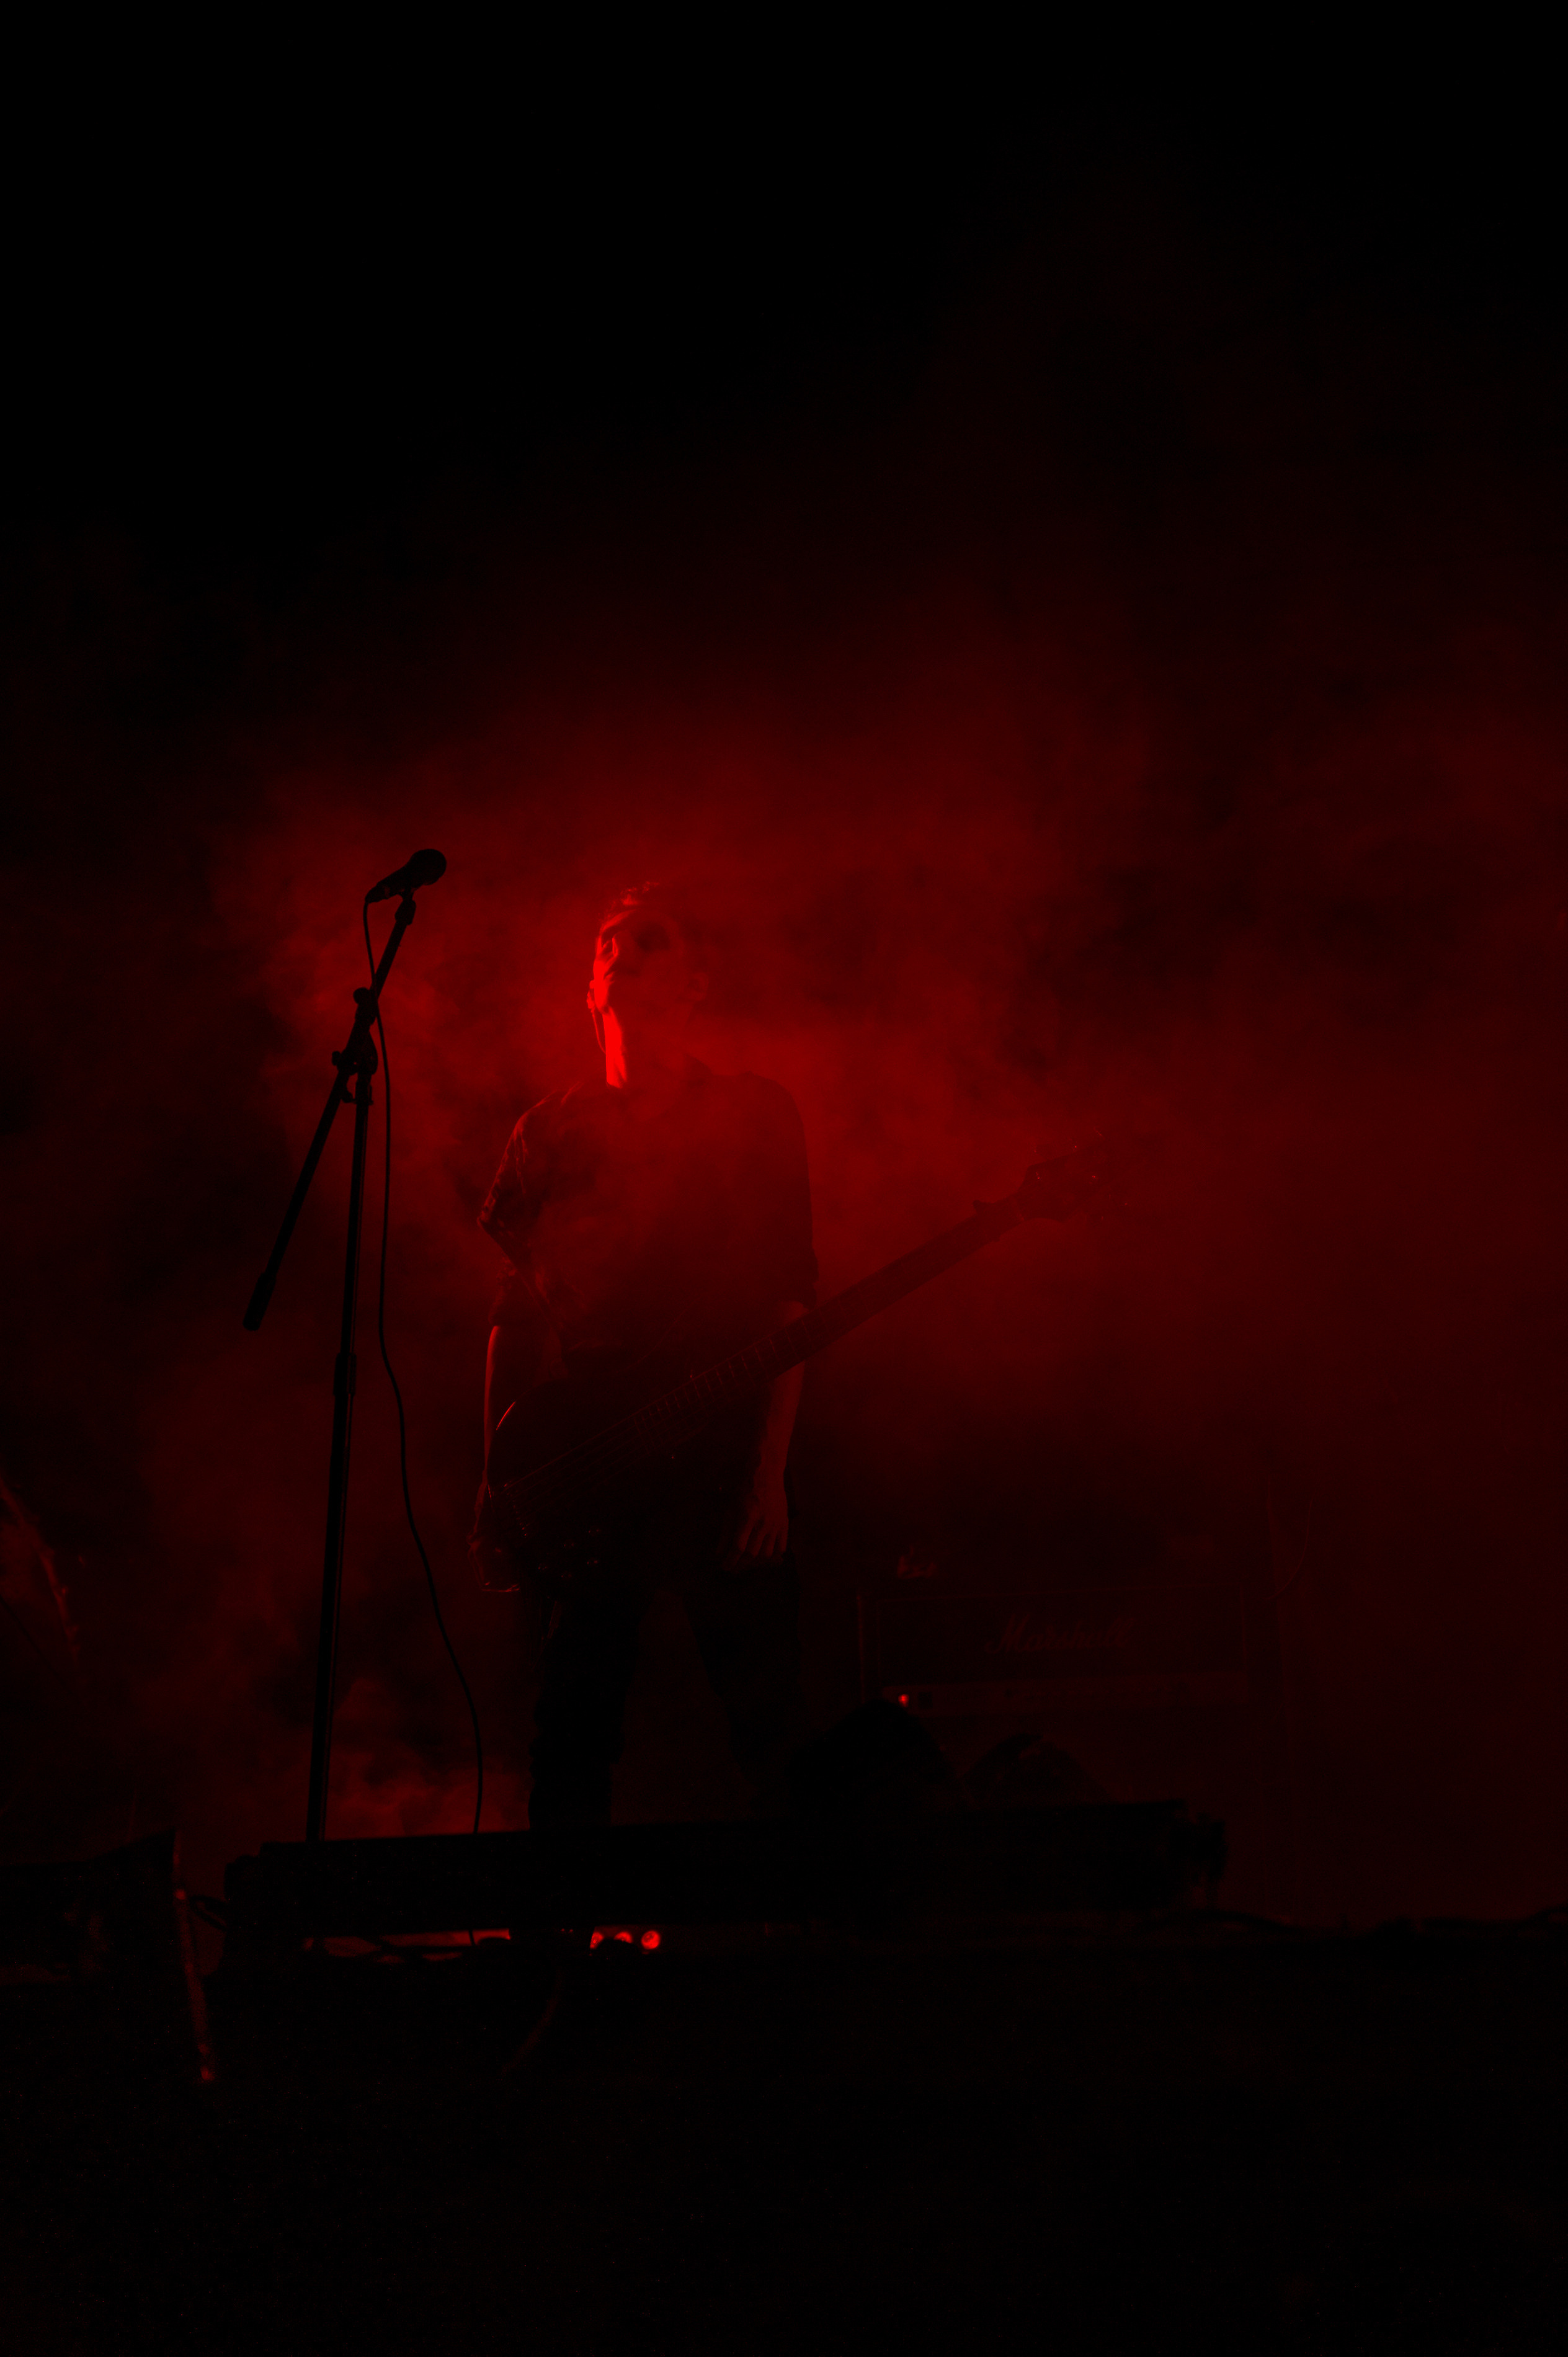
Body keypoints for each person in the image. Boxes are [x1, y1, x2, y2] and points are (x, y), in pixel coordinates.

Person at [473, 882, 817, 1827]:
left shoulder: (752, 1111)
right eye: (607, 947)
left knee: (769, 1717)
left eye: (651, 941)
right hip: (594, 1462)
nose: (622, 953)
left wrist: (769, 1474)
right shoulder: (548, 1130)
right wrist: (496, 1482)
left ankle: (810, 1904)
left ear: (695, 984)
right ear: (591, 992)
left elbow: (791, 1300)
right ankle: (560, 1913)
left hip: (722, 1449)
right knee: (570, 1730)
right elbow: (517, 1314)